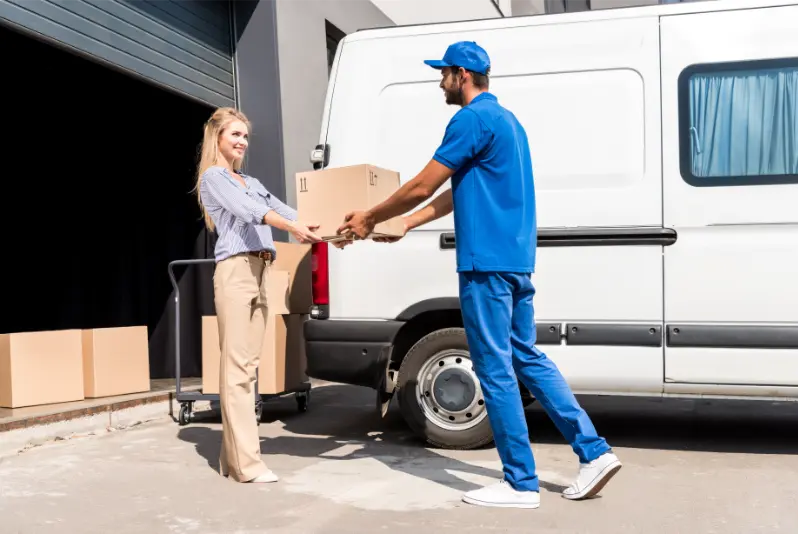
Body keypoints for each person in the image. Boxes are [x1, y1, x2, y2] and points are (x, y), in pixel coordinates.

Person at [337, 42, 621, 509]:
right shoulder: (508, 122)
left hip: (484, 263)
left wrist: (370, 216)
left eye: (443, 73)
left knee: (494, 369)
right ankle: (594, 452)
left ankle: (520, 482)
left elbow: (424, 183)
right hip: (514, 261)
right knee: (526, 358)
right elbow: (455, 191)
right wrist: (406, 223)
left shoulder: (469, 119)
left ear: (462, 75)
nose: (440, 81)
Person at [195, 107, 322, 483]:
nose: (242, 142)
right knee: (236, 369)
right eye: (235, 134)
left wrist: (328, 229)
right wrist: (290, 227)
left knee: (250, 368)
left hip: (264, 268)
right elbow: (252, 212)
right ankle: (246, 465)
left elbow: (286, 211)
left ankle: (233, 461)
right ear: (216, 138)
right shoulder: (213, 178)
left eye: (245, 136)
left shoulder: (249, 179)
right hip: (236, 270)